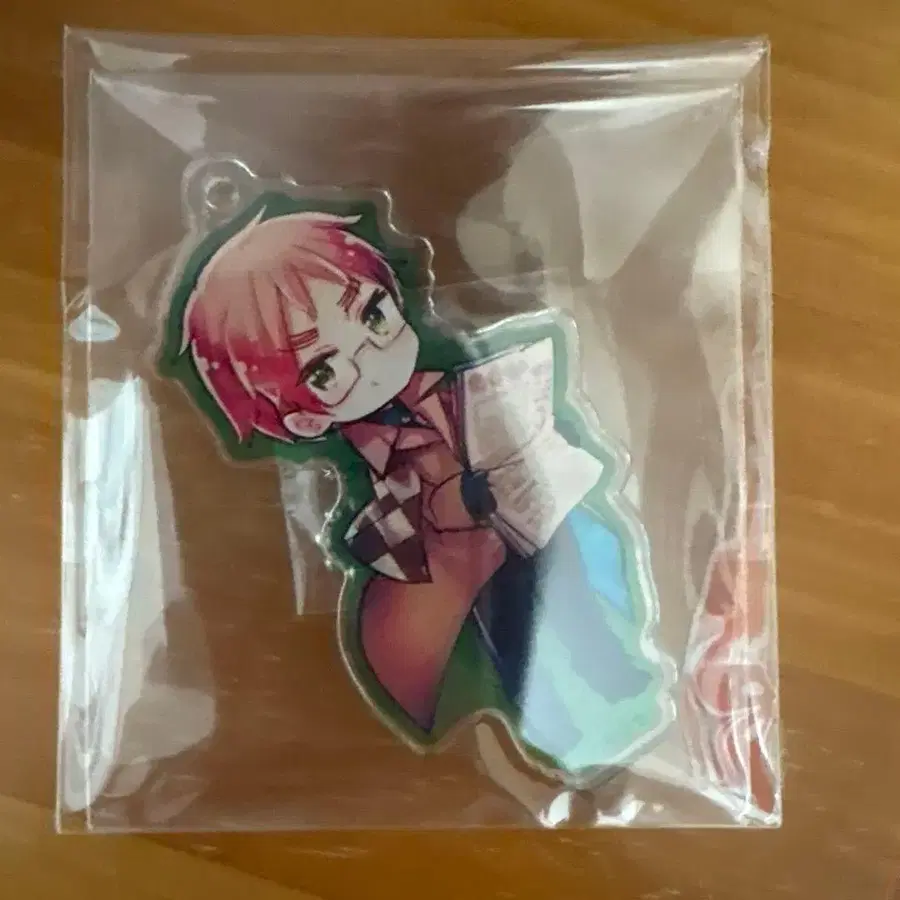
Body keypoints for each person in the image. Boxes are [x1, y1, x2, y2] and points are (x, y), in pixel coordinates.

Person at [173, 206, 662, 773]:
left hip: (545, 525)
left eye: (372, 313)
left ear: (394, 296)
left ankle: (611, 673)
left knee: (565, 568)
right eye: (324, 370)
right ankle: (552, 720)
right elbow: (413, 521)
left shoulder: (464, 387)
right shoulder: (386, 462)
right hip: (463, 559)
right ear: (304, 420)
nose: (368, 353)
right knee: (507, 618)